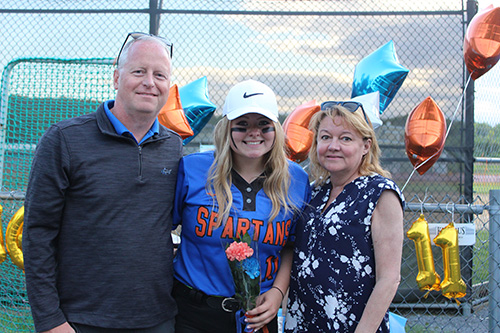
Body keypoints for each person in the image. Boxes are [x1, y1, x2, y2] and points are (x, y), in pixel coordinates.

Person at [23, 32, 182, 333]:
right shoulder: (64, 140)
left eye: (159, 74)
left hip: (157, 319)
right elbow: (38, 233)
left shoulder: (173, 147)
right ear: (116, 77)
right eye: (139, 71)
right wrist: (50, 320)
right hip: (80, 321)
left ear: (168, 85)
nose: (150, 82)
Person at [172, 79, 311, 333]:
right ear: (227, 128)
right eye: (242, 124)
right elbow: (160, 231)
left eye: (263, 125)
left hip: (257, 315)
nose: (253, 132)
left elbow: (292, 245)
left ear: (276, 129)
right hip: (194, 313)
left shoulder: (296, 180)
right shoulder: (193, 169)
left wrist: (278, 293)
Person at [285, 101, 405, 332]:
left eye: (346, 138)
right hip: (303, 324)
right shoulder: (314, 192)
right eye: (326, 137)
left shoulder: (380, 193)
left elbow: (389, 280)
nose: (333, 146)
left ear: (366, 146)